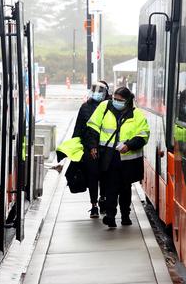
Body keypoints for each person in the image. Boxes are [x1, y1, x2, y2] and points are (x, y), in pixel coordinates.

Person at [86, 86, 149, 228]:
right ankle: (110, 216)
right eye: (114, 98)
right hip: (109, 156)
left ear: (127, 101)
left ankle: (125, 215)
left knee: (125, 188)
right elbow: (92, 127)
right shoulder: (104, 107)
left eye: (119, 100)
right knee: (110, 187)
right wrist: (93, 146)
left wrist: (129, 145)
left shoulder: (136, 114)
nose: (116, 101)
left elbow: (144, 135)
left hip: (127, 159)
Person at [53, 81, 110, 218]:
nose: (96, 93)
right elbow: (78, 128)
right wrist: (77, 148)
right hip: (89, 148)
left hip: (106, 148)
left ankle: (103, 198)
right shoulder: (85, 107)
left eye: (100, 91)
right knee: (93, 177)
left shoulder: (109, 106)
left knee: (105, 176)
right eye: (94, 90)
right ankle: (94, 204)